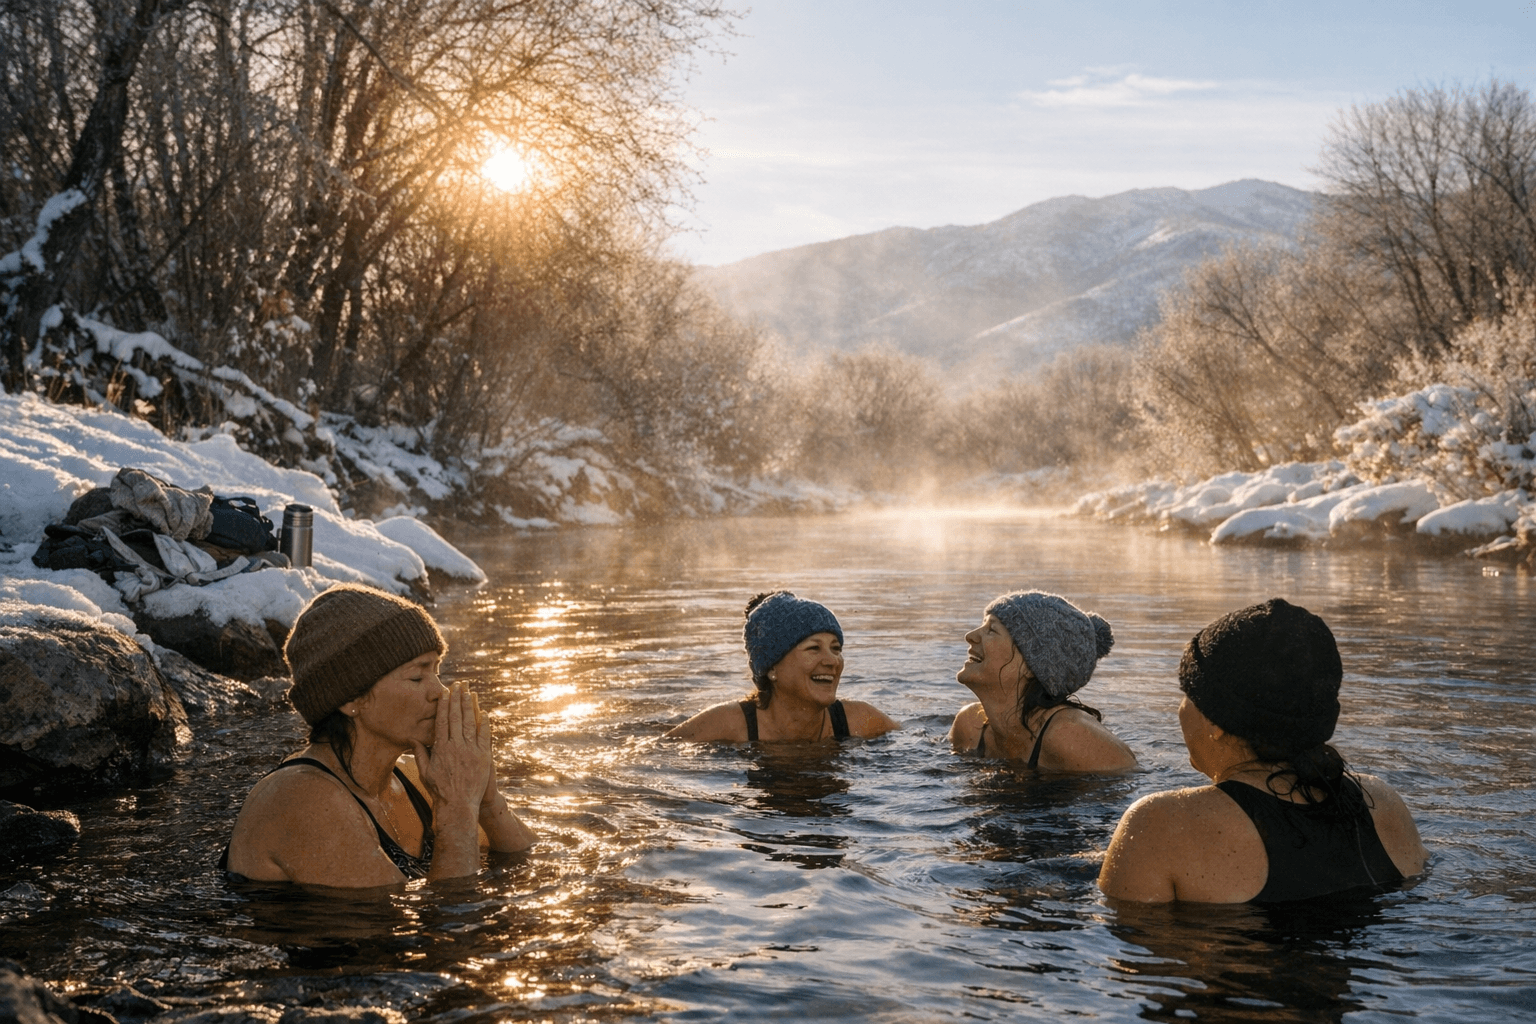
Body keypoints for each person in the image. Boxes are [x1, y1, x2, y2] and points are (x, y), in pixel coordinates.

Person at [1098, 598, 1428, 903]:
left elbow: (1127, 959)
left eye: (1187, 693)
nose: (1180, 708)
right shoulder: (1381, 803)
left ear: (1218, 721)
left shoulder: (1159, 827)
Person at [223, 584, 534, 887]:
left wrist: (486, 796)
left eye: (436, 671)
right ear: (351, 699)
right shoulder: (302, 799)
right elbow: (445, 927)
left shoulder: (416, 776)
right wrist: (458, 809)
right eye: (417, 676)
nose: (440, 692)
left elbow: (528, 868)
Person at [665, 591, 900, 742]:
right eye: (813, 648)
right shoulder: (727, 724)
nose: (832, 661)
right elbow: (654, 755)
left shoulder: (860, 721)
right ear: (772, 667)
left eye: (836, 648)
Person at [949, 590, 1137, 772]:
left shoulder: (1070, 735)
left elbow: (1128, 788)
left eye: (992, 630)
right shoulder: (970, 726)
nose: (970, 636)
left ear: (1032, 666)